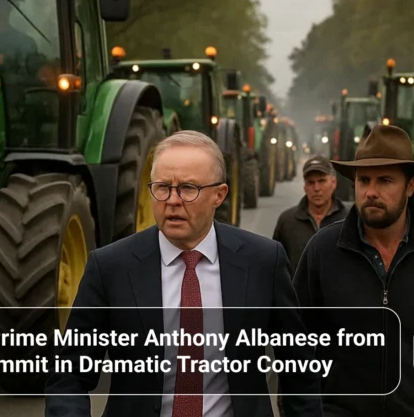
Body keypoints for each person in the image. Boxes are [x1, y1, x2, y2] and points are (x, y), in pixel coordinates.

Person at [44, 130, 323, 417]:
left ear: (219, 194)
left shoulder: (264, 262)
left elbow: (298, 372)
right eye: (162, 187)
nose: (172, 200)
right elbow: (69, 377)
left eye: (188, 188)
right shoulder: (110, 267)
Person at [293, 124, 414, 416]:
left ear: (410, 186)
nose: (371, 192)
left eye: (385, 180)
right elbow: (292, 343)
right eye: (364, 180)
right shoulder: (323, 250)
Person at [273, 154, 346, 273]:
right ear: (305, 187)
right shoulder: (287, 221)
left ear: (334, 183)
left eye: (322, 181)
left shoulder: (349, 219)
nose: (316, 188)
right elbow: (277, 267)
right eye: (311, 182)